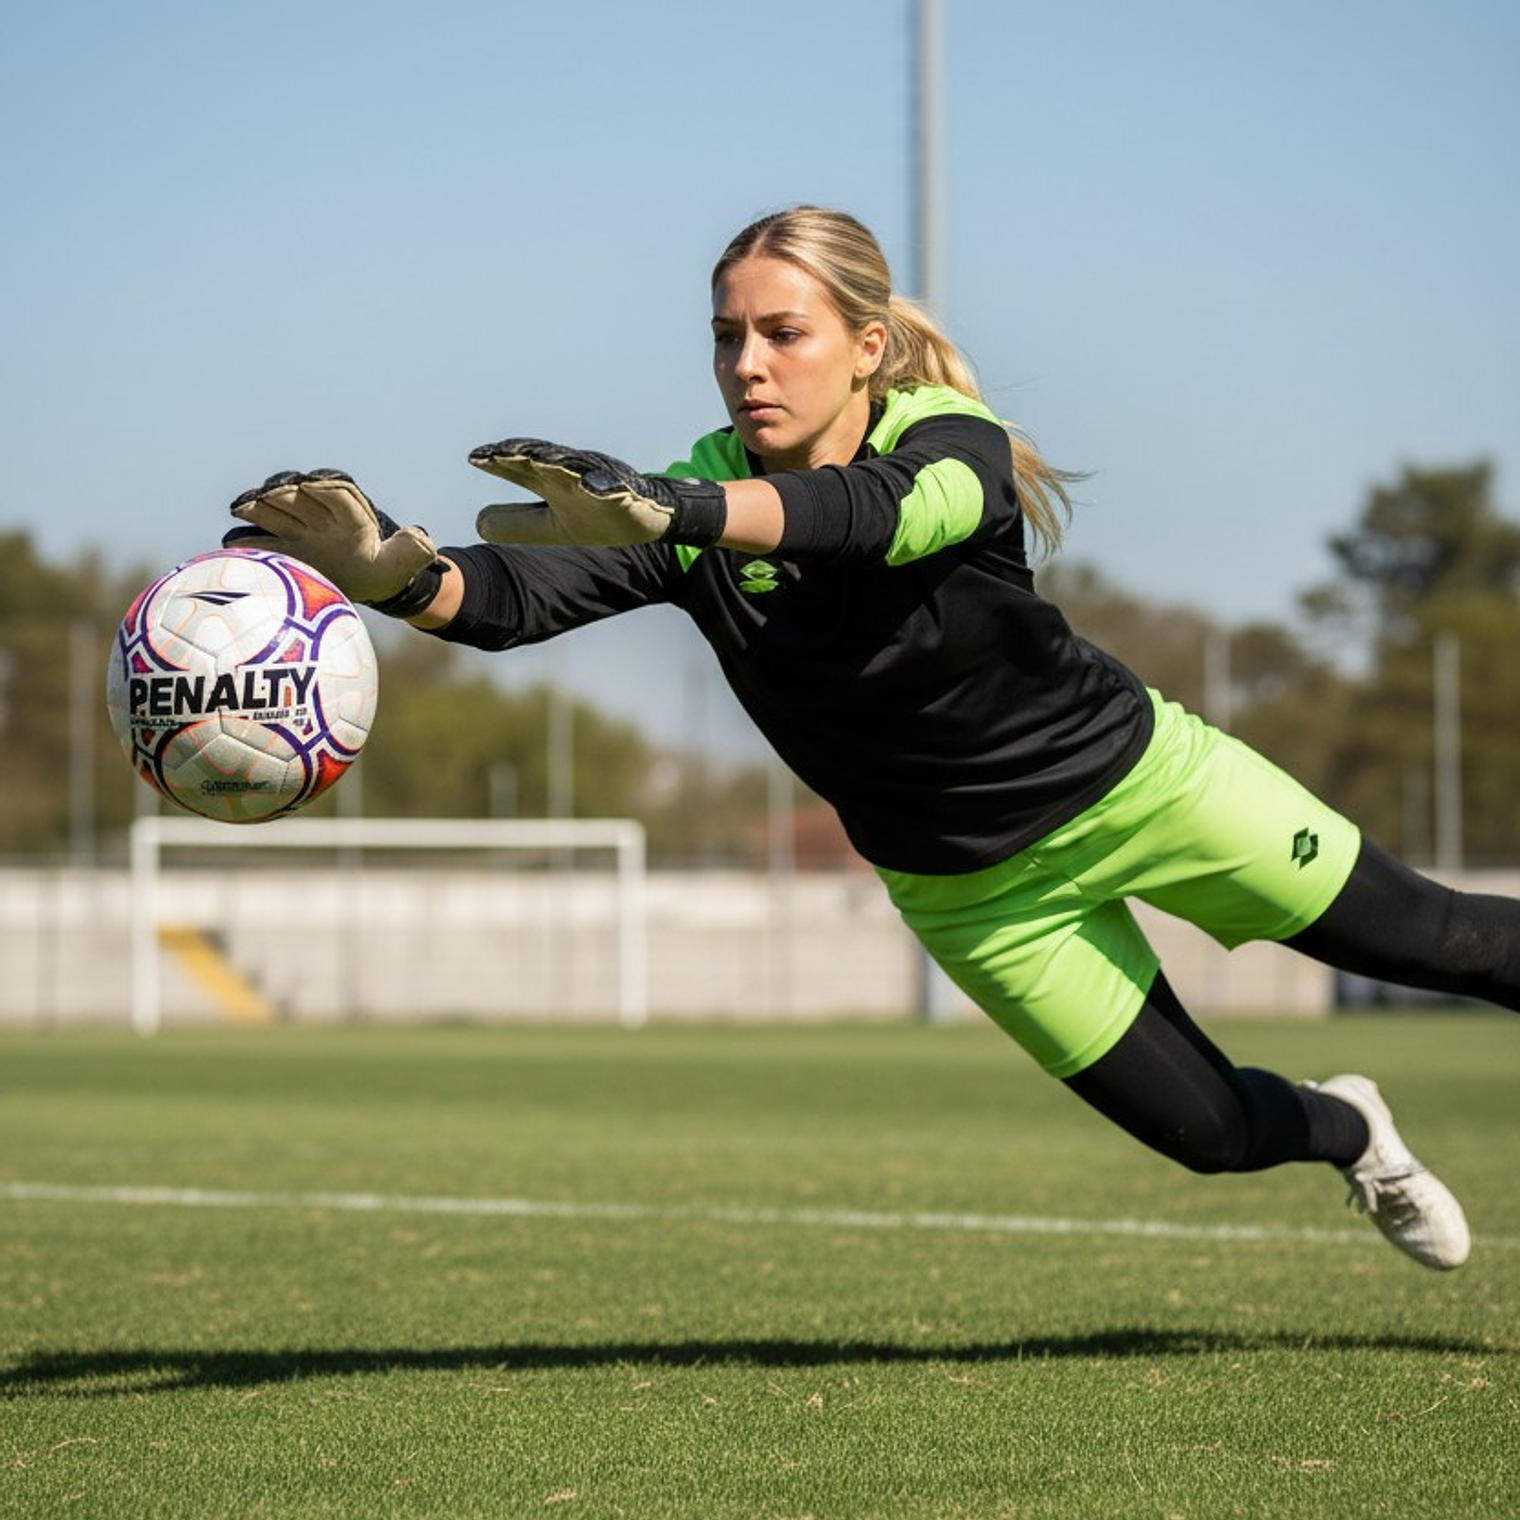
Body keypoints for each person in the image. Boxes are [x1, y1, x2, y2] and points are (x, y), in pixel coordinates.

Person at [227, 205, 1518, 1272]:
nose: (747, 364)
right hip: (974, 895)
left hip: (1144, 788)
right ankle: (1354, 1131)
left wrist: (683, 509)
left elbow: (881, 515)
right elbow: (517, 597)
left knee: (1445, 940)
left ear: (867, 346)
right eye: (726, 336)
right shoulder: (690, 495)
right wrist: (396, 573)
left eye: (782, 333)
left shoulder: (942, 442)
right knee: (1213, 1134)